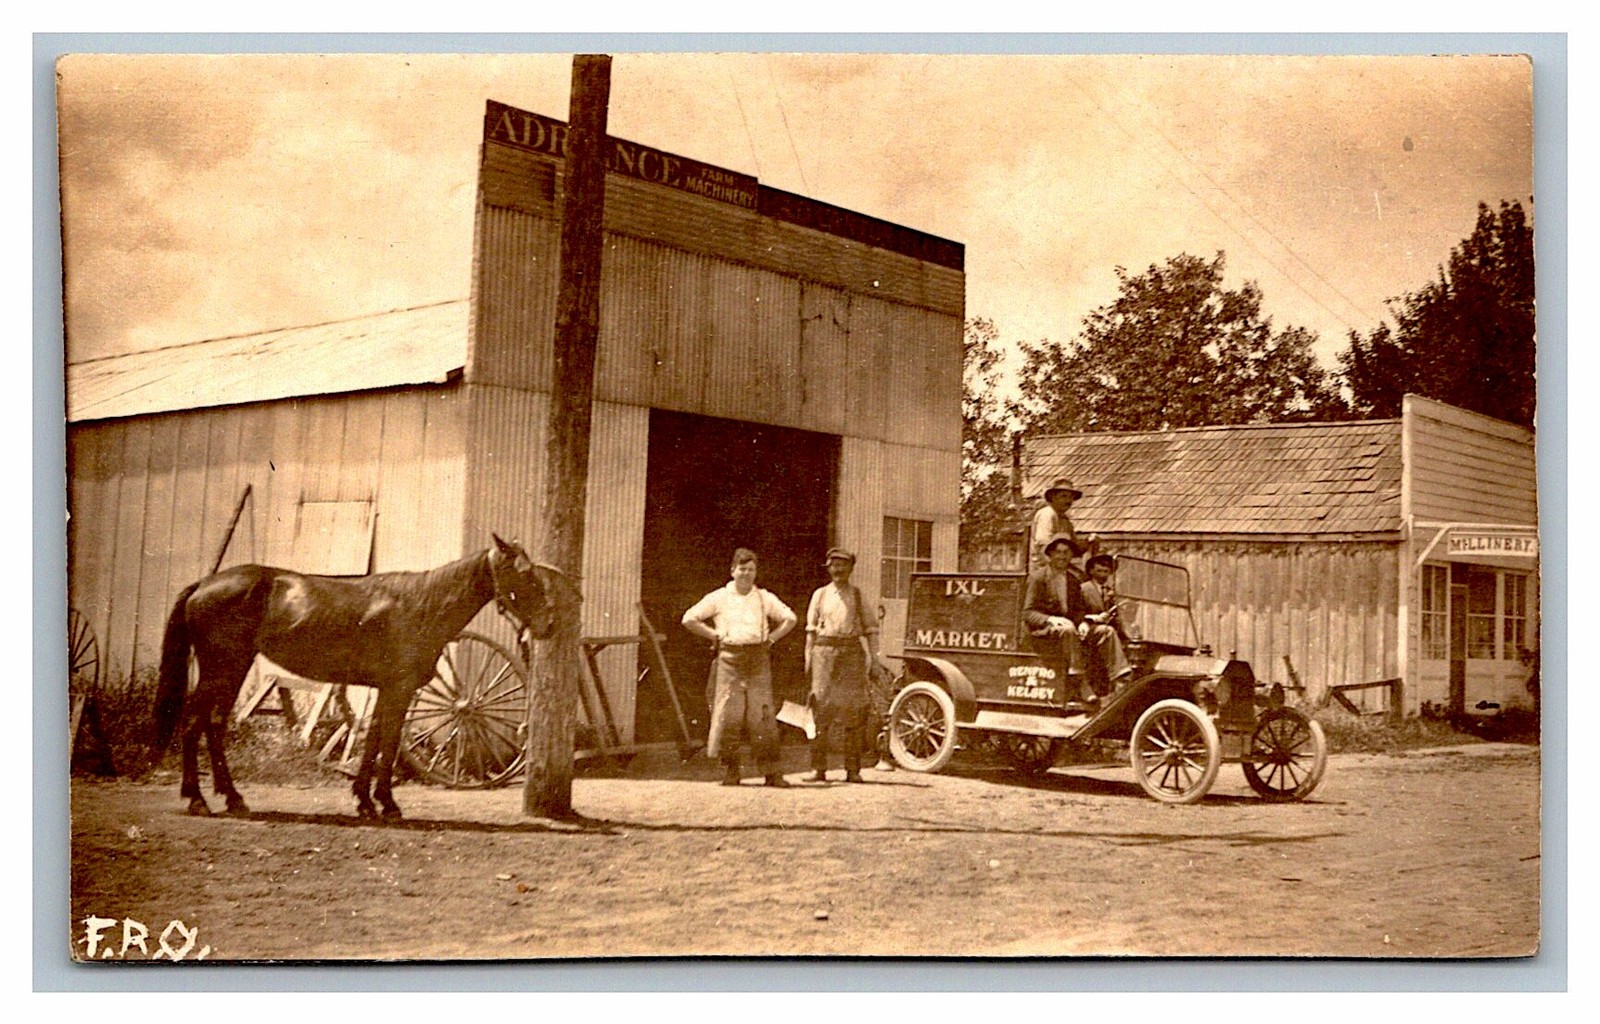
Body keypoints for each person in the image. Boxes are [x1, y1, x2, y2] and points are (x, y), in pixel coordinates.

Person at [682, 548, 798, 787]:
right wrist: (714, 635)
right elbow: (689, 618)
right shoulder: (719, 597)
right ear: (732, 570)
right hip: (730, 659)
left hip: (758, 659)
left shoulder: (764, 598)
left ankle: (771, 772)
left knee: (763, 715)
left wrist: (772, 638)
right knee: (728, 715)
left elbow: (790, 619)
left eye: (751, 569)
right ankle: (731, 771)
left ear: (756, 572)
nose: (746, 574)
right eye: (742, 569)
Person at [1023, 535, 1131, 707]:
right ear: (1050, 555)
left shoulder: (1073, 580)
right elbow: (1028, 613)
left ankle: (1121, 679)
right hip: (1045, 633)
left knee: (1105, 631)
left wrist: (1083, 622)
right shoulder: (1038, 578)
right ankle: (1081, 683)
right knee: (1068, 630)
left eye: (1066, 553)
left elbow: (1077, 611)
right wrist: (1051, 619)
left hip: (1071, 630)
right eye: (1058, 552)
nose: (1062, 556)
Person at [803, 547, 880, 783]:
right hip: (823, 653)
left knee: (854, 712)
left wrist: (874, 660)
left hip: (850, 654)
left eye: (843, 565)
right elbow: (811, 631)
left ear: (850, 569)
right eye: (834, 565)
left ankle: (853, 770)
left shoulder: (857, 595)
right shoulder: (820, 595)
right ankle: (819, 768)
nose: (839, 569)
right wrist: (808, 659)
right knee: (820, 709)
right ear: (828, 568)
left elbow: (871, 629)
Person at [1030, 477, 1094, 572]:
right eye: (1063, 496)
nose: (1068, 501)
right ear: (1053, 497)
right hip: (1044, 569)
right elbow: (1044, 547)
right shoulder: (1047, 514)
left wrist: (1088, 542)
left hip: (1061, 566)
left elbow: (1074, 548)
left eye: (1070, 497)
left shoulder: (1065, 520)